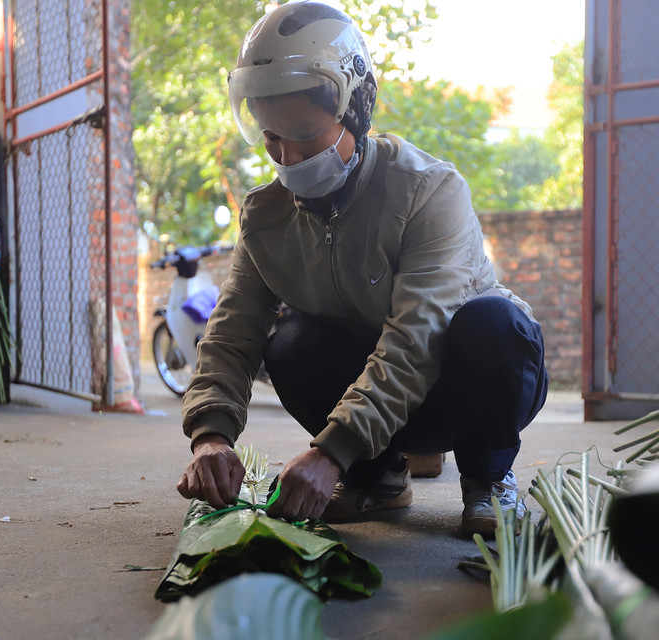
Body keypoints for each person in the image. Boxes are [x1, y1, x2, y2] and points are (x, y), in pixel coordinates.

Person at [177, 1, 549, 536]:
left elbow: (418, 337)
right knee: (290, 340)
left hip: (464, 392)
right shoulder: (266, 217)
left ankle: (488, 477)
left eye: (303, 131)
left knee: (494, 323)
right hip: (378, 412)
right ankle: (377, 478)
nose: (288, 157)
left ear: (353, 109)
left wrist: (330, 452)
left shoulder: (428, 190)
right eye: (272, 136)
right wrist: (210, 436)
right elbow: (232, 332)